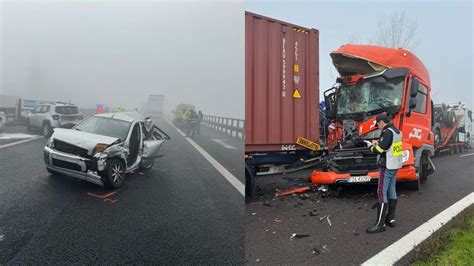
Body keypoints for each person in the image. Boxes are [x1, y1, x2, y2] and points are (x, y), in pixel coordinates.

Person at [366, 113, 403, 234]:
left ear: (381, 121)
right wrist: (379, 143)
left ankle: (380, 224)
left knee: (381, 192)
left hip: (386, 166)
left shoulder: (387, 132)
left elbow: (380, 149)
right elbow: (390, 146)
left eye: (378, 124)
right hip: (395, 165)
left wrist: (371, 146)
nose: (378, 126)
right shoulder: (397, 131)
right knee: (391, 190)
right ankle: (390, 218)